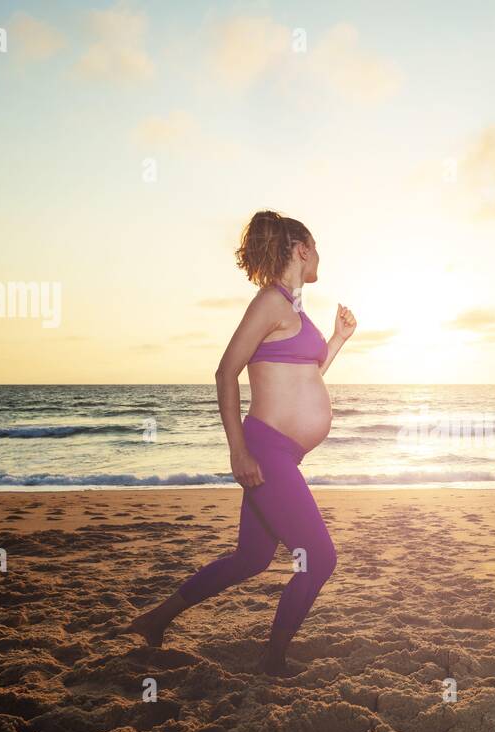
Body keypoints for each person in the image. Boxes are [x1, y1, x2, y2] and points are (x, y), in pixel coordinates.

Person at [120, 210, 356, 675]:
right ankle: (273, 660)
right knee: (320, 559)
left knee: (251, 558)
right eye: (317, 248)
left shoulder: (293, 309)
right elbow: (225, 371)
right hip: (267, 452)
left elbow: (303, 378)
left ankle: (155, 620)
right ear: (301, 248)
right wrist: (239, 451)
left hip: (283, 452)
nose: (320, 257)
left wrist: (338, 339)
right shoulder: (270, 302)